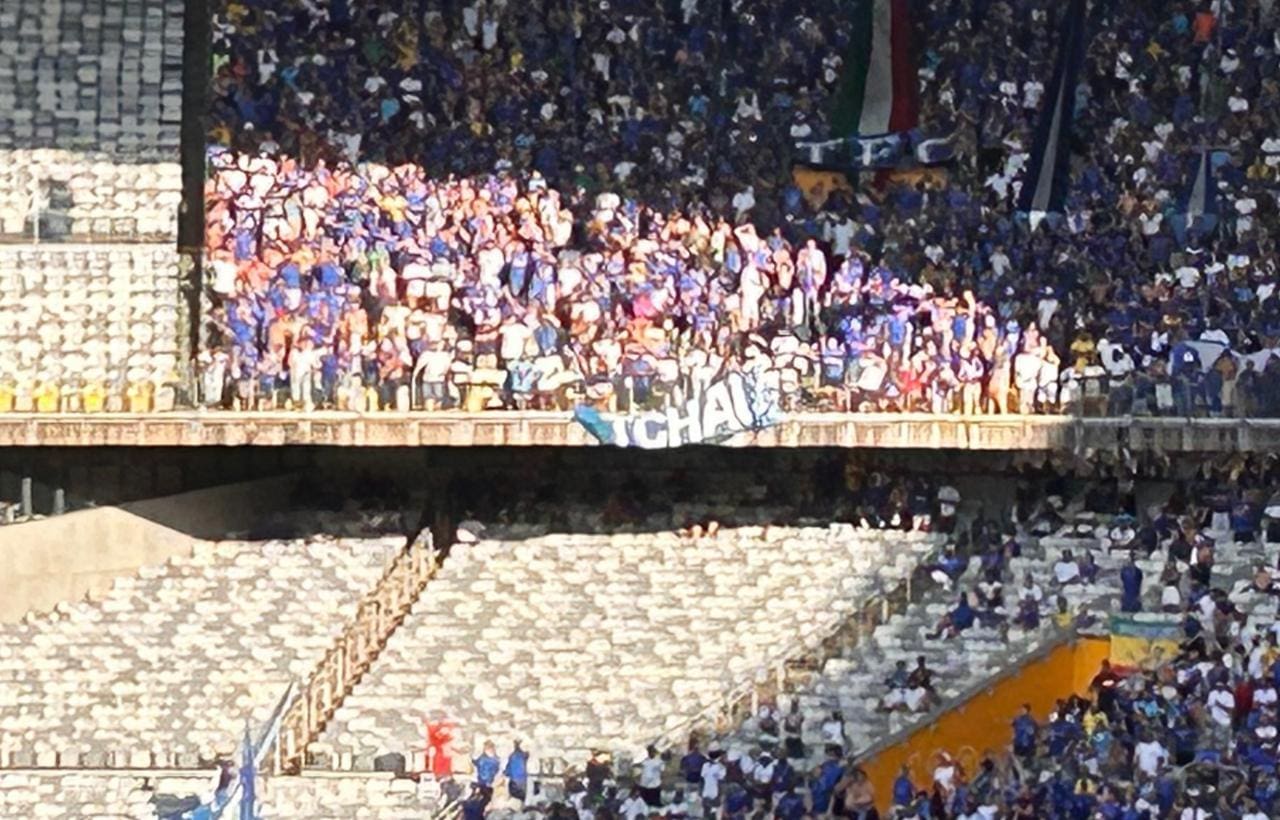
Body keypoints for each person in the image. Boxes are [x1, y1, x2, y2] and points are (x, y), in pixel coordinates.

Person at [473, 740, 501, 808]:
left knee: (485, 800)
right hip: (486, 783)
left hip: (486, 783)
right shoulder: (493, 759)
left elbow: (478, 764)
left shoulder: (489, 759)